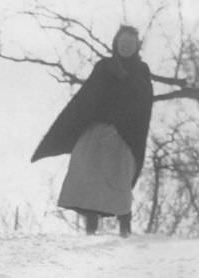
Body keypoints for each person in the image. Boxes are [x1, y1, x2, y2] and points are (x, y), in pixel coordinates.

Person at [31, 25, 153, 237]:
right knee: (90, 175)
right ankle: (90, 230)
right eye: (123, 42)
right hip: (97, 130)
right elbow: (87, 98)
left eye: (131, 44)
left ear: (137, 47)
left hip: (125, 134)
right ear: (116, 43)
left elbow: (143, 99)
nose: (126, 47)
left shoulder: (141, 69)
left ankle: (125, 228)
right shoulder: (104, 66)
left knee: (120, 178)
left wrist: (126, 79)